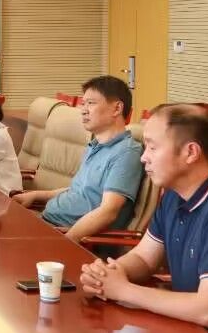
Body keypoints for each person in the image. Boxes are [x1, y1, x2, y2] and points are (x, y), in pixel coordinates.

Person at [80, 104, 208, 333]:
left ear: (190, 152)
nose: (143, 157)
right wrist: (108, 274)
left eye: (152, 147)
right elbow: (144, 258)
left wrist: (125, 290)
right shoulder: (174, 195)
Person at [12, 76, 143, 242]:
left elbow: (108, 212)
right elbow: (78, 191)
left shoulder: (126, 153)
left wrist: (67, 241)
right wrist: (36, 195)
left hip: (64, 234)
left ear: (117, 108)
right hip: (48, 222)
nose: (83, 110)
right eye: (83, 103)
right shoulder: (95, 146)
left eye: (91, 103)